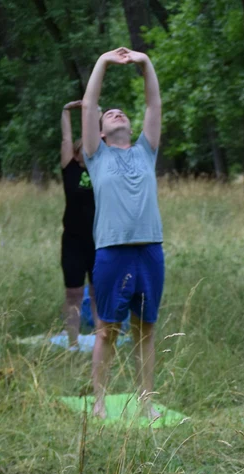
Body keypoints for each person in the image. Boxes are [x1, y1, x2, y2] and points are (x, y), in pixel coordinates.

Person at [81, 47, 165, 419]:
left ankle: (146, 401)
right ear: (100, 130)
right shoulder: (96, 155)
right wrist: (102, 61)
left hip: (149, 249)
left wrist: (144, 62)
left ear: (131, 128)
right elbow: (89, 104)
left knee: (145, 330)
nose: (116, 113)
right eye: (109, 114)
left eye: (122, 113)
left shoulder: (146, 151)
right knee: (106, 330)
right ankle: (99, 401)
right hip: (112, 251)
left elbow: (153, 103)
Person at [59, 99, 97, 348]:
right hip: (73, 240)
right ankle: (72, 344)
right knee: (73, 293)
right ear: (74, 150)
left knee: (98, 292)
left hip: (99, 238)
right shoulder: (69, 167)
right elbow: (65, 138)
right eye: (80, 142)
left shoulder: (101, 166)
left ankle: (100, 340)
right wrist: (66, 111)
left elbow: (97, 132)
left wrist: (93, 110)